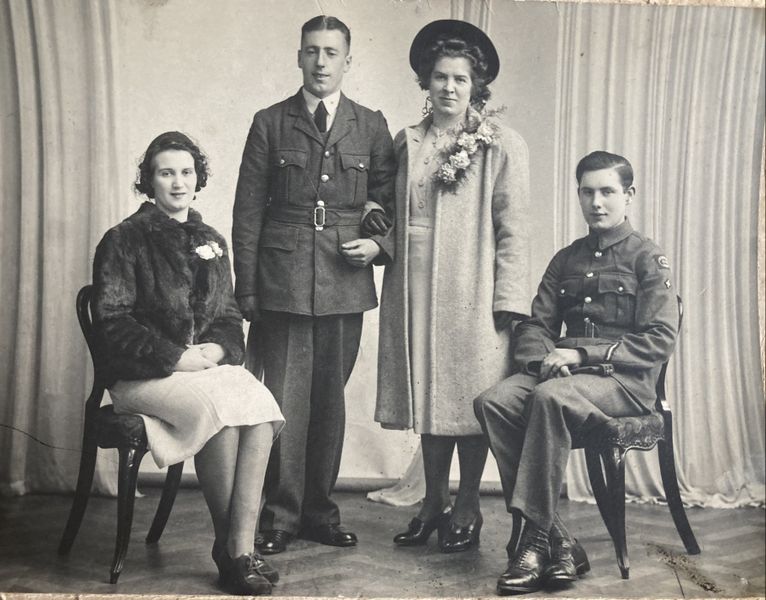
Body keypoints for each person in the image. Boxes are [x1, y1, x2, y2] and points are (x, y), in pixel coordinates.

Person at [474, 151, 678, 594]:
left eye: (607, 192)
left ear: (629, 195)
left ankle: (533, 544)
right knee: (494, 401)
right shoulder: (566, 259)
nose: (596, 202)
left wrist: (581, 355)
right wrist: (541, 364)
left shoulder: (647, 257)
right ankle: (560, 541)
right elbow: (536, 326)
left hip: (623, 383)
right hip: (567, 380)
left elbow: (660, 339)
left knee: (550, 398)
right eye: (587, 192)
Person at [91, 131, 285, 595]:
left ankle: (237, 547)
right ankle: (235, 553)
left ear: (198, 179)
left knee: (261, 408)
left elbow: (228, 318)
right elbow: (112, 323)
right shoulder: (124, 239)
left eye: (186, 172)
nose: (178, 183)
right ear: (149, 181)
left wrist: (215, 351)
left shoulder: (211, 240)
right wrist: (176, 357)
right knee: (221, 413)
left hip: (204, 370)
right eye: (166, 173)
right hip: (144, 376)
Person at [232, 15, 395, 555]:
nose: (321, 62)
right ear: (299, 57)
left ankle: (320, 512)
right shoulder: (270, 122)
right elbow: (247, 211)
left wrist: (379, 247)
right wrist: (248, 289)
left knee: (330, 401)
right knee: (285, 400)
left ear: (348, 60)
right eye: (311, 51)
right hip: (282, 280)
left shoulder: (370, 124)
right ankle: (280, 516)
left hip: (345, 279)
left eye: (331, 53)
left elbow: (391, 200)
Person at [374, 19, 531, 553]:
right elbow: (393, 211)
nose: (449, 87)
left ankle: (467, 504)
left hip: (472, 287)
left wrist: (508, 302)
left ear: (475, 85)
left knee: (470, 394)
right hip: (414, 283)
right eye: (440, 77)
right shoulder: (408, 140)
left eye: (460, 79)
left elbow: (514, 230)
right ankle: (432, 501)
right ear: (426, 81)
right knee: (430, 392)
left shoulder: (501, 144)